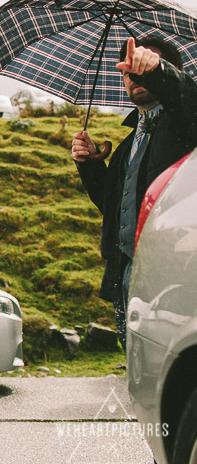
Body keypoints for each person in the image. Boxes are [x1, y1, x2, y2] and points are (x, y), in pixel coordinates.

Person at [72, 36, 197, 348]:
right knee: (137, 368)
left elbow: (188, 98)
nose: (133, 76)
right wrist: (89, 165)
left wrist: (158, 71)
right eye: (127, 72)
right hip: (128, 273)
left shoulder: (185, 122)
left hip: (175, 275)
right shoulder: (128, 145)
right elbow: (114, 206)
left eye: (140, 66)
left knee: (175, 370)